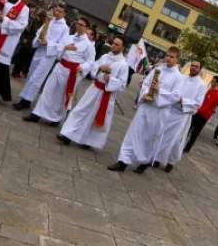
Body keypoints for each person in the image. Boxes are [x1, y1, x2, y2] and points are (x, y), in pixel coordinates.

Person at [108, 46, 184, 174]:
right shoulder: (158, 69)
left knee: (148, 138)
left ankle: (144, 162)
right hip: (145, 107)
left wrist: (160, 90)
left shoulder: (178, 77)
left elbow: (176, 96)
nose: (168, 58)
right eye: (167, 55)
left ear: (177, 59)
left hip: (158, 111)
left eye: (172, 57)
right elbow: (146, 84)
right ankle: (123, 161)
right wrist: (144, 93)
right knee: (133, 133)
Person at [57, 36, 129, 151]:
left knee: (95, 117)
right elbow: (93, 67)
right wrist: (100, 67)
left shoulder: (123, 65)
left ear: (123, 47)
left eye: (117, 45)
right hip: (94, 89)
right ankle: (67, 135)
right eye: (113, 43)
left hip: (106, 94)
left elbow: (122, 84)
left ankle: (88, 141)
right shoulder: (105, 56)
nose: (114, 46)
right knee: (80, 110)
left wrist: (110, 79)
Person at [24, 17, 96, 126]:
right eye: (78, 23)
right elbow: (60, 49)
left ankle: (55, 118)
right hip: (61, 66)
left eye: (81, 25)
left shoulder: (88, 44)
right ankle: (37, 114)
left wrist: (82, 67)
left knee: (61, 95)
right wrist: (64, 48)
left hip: (72, 71)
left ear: (86, 28)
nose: (78, 26)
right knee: (48, 89)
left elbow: (90, 61)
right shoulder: (70, 37)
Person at [13, 3, 69, 110]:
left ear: (64, 14)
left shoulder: (64, 28)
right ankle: (25, 99)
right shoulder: (50, 21)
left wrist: (48, 43)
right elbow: (40, 32)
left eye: (59, 12)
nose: (56, 13)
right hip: (39, 51)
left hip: (48, 55)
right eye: (56, 10)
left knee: (37, 78)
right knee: (30, 74)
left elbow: (62, 45)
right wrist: (39, 39)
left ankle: (25, 100)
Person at [154, 59, 206, 172]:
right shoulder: (181, 78)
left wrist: (183, 100)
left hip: (183, 115)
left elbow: (198, 103)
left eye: (196, 66)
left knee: (176, 140)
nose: (193, 68)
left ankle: (171, 161)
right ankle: (157, 158)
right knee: (163, 135)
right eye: (192, 65)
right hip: (172, 110)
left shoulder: (202, 85)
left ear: (200, 69)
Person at [183, 78, 218, 153]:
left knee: (195, 133)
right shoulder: (210, 89)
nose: (211, 82)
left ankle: (187, 148)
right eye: (212, 80)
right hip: (198, 112)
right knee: (188, 129)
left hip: (203, 116)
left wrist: (196, 110)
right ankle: (181, 144)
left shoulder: (217, 95)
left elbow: (208, 106)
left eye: (213, 81)